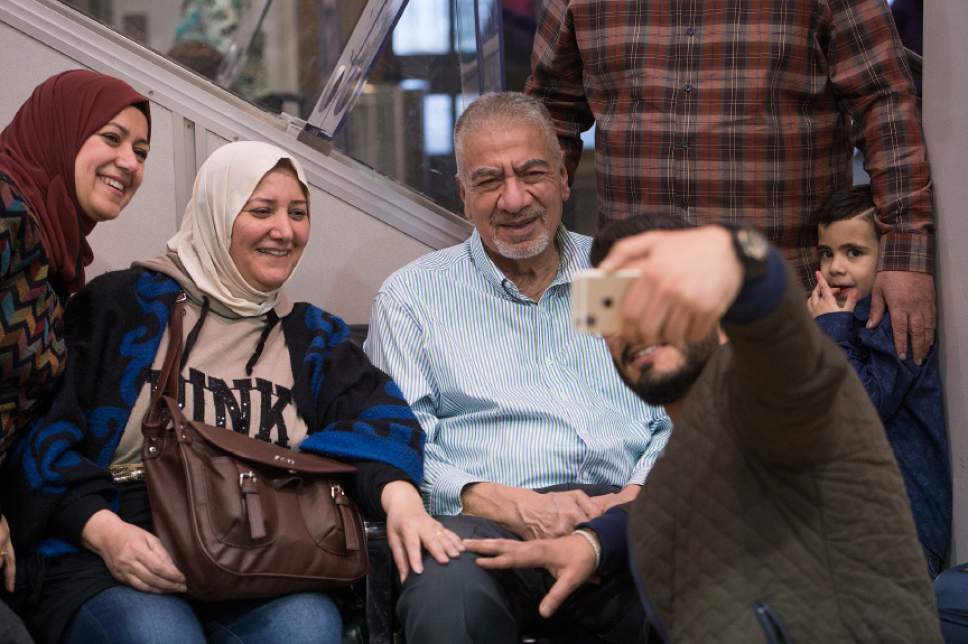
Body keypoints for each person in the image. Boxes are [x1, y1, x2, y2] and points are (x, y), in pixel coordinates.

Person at [2, 141, 461, 644]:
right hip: (119, 544)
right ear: (216, 214)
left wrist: (402, 503)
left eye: (298, 213)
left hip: (262, 554)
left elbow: (381, 421)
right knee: (157, 636)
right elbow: (40, 435)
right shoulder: (122, 305)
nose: (283, 231)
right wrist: (104, 532)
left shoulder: (312, 335)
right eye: (261, 210)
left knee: (306, 630)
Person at [466, 214, 942, 642]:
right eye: (616, 310)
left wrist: (731, 253)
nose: (637, 324)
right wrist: (590, 542)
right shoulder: (672, 488)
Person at [364, 92, 668, 643]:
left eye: (532, 173)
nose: (514, 198)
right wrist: (507, 503)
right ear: (462, 195)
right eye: (488, 181)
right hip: (483, 525)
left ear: (564, 178)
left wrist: (634, 500)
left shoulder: (614, 281)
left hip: (623, 519)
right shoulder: (413, 299)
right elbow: (399, 441)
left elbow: (679, 418)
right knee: (446, 598)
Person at [526, 0, 937, 365]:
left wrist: (905, 255)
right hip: (627, 297)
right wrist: (529, 257)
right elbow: (550, 113)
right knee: (598, 443)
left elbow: (882, 105)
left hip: (785, 299)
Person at [0, 69, 152, 643]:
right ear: (61, 131)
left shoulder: (54, 250)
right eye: (110, 138)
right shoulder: (8, 210)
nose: (130, 162)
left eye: (140, 150)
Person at [807, 185, 950, 577]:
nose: (836, 267)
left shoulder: (893, 322)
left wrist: (829, 329)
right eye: (826, 252)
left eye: (854, 252)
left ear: (886, 258)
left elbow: (862, 407)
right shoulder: (835, 319)